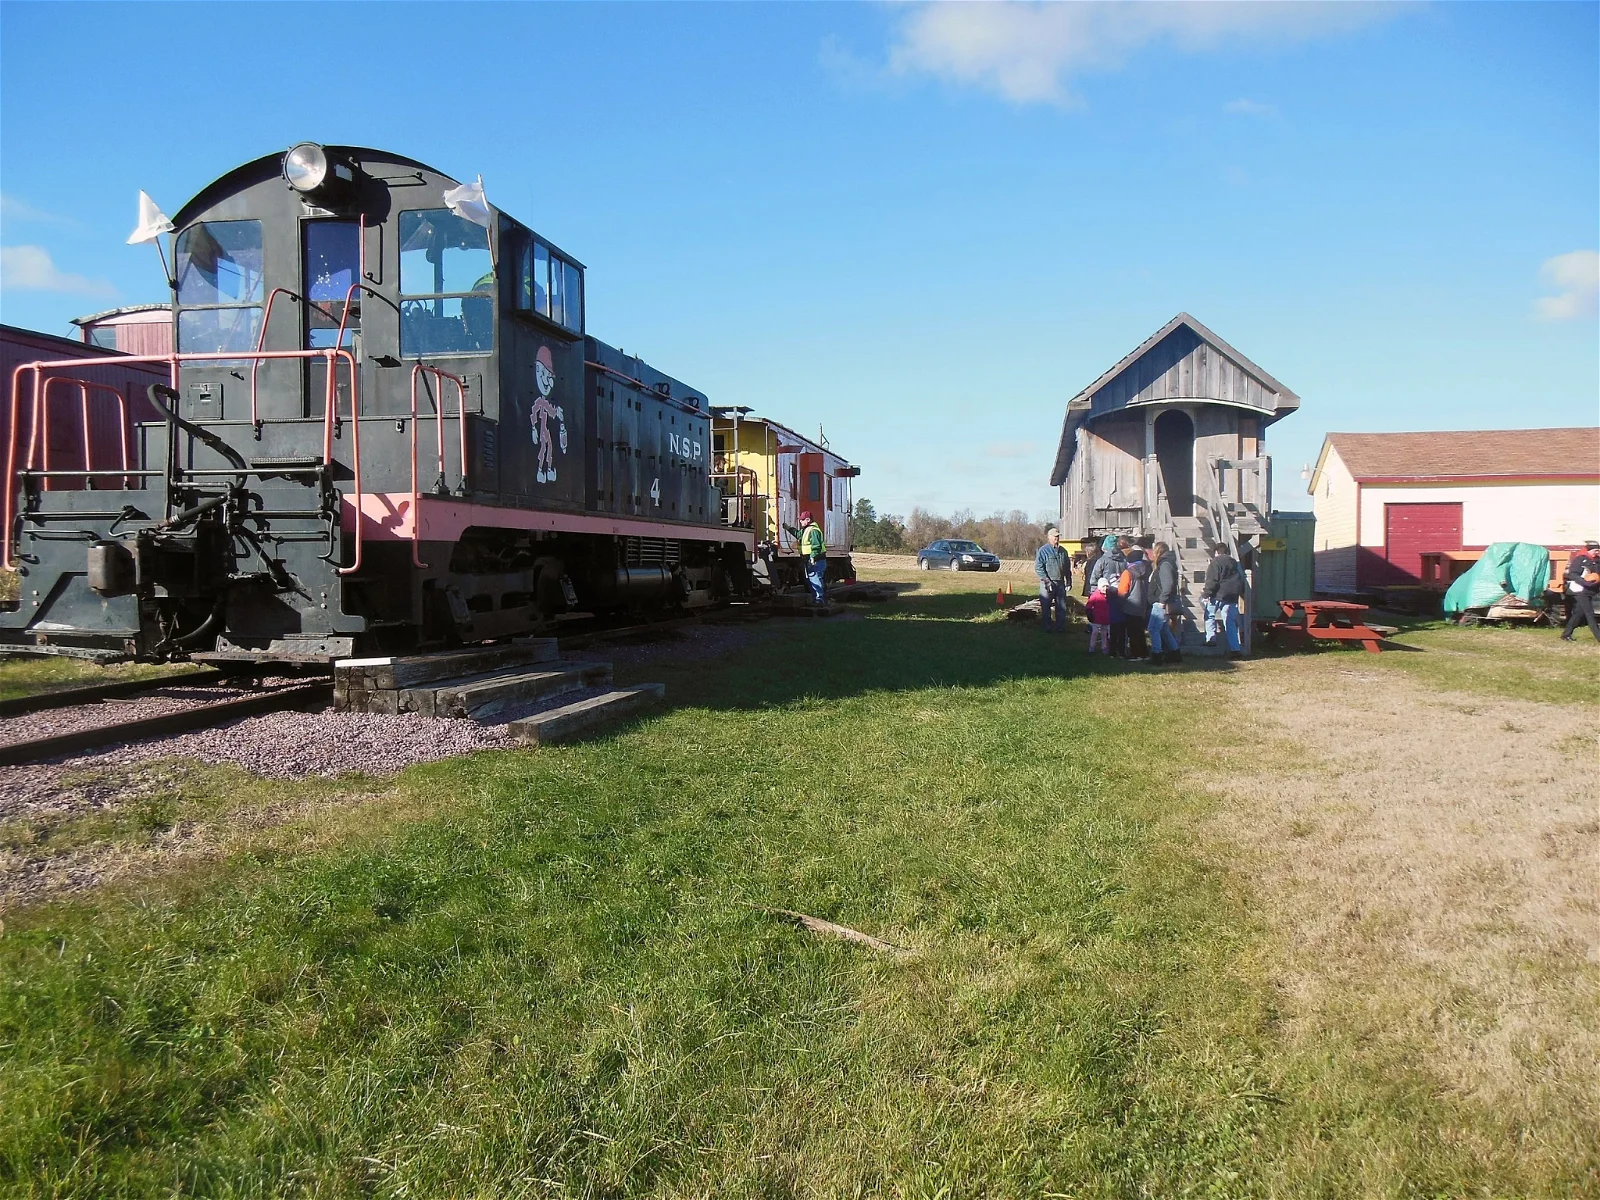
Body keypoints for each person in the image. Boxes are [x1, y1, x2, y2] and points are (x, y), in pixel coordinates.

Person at [1201, 542, 1246, 659]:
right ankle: (1235, 648)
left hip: (1217, 595)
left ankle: (1211, 638)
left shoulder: (1215, 562)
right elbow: (1241, 578)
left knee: (1209, 615)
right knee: (1230, 623)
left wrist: (1206, 594)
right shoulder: (1235, 563)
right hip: (1232, 596)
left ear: (1216, 552)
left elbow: (1212, 580)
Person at [1088, 535, 1129, 657]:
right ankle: (1121, 648)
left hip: (1105, 595)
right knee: (1120, 624)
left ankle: (1107, 648)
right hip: (1122, 595)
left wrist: (1094, 595)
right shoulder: (1124, 560)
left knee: (1105, 624)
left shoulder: (1102, 560)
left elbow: (1094, 579)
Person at [1147, 541, 1183, 665]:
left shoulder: (1165, 564)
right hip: (1163, 601)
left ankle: (1157, 655)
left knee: (1153, 629)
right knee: (1163, 630)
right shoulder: (1168, 562)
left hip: (1161, 602)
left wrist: (1162, 600)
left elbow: (1168, 584)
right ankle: (1175, 653)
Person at [1561, 539, 1600, 642]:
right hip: (1579, 590)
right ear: (1589, 550)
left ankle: (1566, 634)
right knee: (1589, 614)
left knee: (1579, 613)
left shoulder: (1597, 560)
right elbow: (1573, 574)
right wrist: (1585, 582)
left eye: (1598, 550)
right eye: (1595, 550)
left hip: (1590, 590)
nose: (1597, 552)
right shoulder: (1579, 559)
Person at [1034, 527, 1071, 633]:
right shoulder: (1043, 551)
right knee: (1046, 606)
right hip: (1047, 583)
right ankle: (1047, 627)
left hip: (1060, 583)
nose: (1057, 538)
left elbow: (1067, 567)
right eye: (1055, 536)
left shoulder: (1063, 551)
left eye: (1058, 536)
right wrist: (1046, 580)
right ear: (1049, 537)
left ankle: (1060, 627)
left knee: (1061, 606)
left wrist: (1069, 581)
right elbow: (1038, 567)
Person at [1120, 545, 1151, 660]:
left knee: (1132, 632)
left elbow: (1122, 591)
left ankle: (1135, 653)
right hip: (1143, 604)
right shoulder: (1146, 570)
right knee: (1140, 631)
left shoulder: (1128, 573)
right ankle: (1144, 653)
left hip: (1130, 605)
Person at [795, 511, 827, 604]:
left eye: (802, 520)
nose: (800, 522)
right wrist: (789, 529)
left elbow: (816, 545)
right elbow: (798, 534)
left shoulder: (813, 530)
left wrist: (813, 557)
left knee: (815, 579)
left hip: (816, 559)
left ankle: (819, 600)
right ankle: (817, 599)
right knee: (813, 579)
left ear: (808, 520)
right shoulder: (806, 530)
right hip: (812, 559)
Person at [1086, 582, 1112, 654]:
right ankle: (1092, 647)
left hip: (1106, 619)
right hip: (1097, 618)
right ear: (1099, 587)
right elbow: (1089, 605)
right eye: (1103, 586)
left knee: (1104, 634)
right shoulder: (1095, 595)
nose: (1105, 588)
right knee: (1095, 632)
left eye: (1106, 587)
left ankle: (1104, 647)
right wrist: (1089, 614)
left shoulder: (1109, 596)